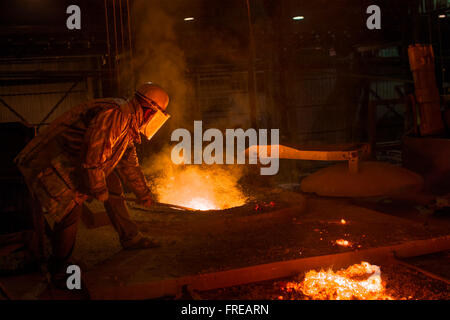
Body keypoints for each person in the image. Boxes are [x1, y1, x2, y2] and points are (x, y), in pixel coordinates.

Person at [15, 82, 170, 286]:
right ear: (150, 110)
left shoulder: (128, 119)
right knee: (70, 211)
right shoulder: (117, 116)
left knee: (112, 181)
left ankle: (130, 237)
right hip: (50, 160)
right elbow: (93, 157)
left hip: (73, 159)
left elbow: (128, 163)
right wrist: (97, 189)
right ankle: (59, 269)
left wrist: (143, 193)